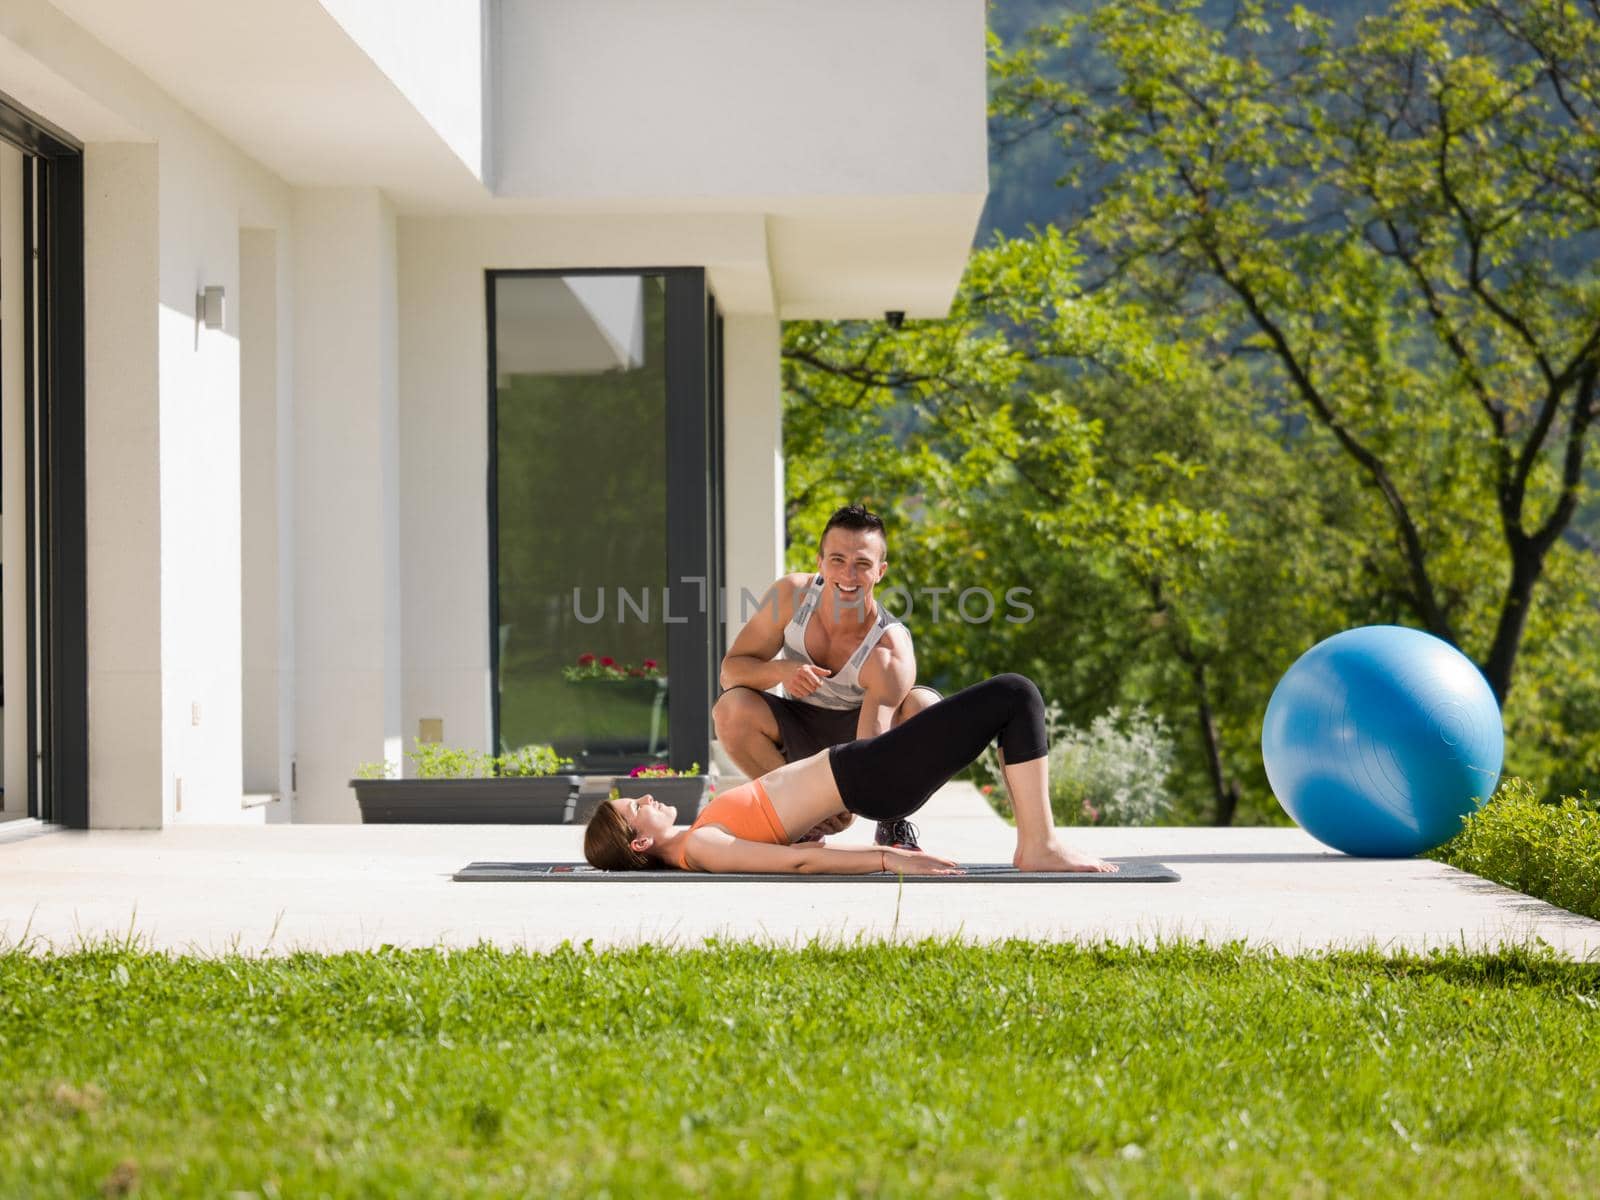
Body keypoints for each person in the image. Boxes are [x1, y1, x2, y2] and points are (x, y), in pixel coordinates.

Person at [584, 672, 1118, 876]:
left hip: (863, 771)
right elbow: (794, 862)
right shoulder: (699, 848)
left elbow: (792, 837)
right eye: (635, 808)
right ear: (637, 845)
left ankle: (1038, 841)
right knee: (1015, 694)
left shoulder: (698, 836)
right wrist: (889, 859)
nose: (645, 796)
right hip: (869, 777)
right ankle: (1038, 845)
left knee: (1008, 700)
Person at [713, 504, 941, 852]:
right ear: (819, 562)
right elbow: (731, 673)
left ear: (880, 571)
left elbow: (874, 746)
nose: (848, 574)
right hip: (799, 726)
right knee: (731, 709)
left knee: (925, 707)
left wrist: (847, 797)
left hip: (857, 733)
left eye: (862, 564)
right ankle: (794, 813)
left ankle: (892, 821)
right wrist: (781, 670)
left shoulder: (888, 650)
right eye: (837, 559)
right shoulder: (790, 597)